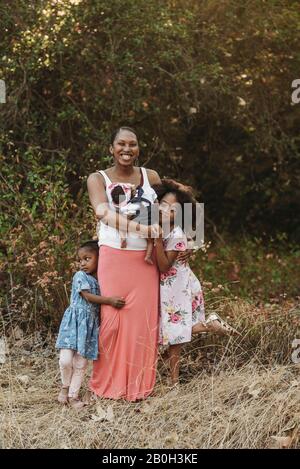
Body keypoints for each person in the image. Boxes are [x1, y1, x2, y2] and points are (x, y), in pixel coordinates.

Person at [87, 126, 163, 401]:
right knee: (112, 321)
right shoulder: (98, 178)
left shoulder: (150, 176)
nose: (127, 149)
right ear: (111, 147)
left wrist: (187, 241)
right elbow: (102, 211)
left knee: (141, 323)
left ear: (139, 148)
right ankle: (108, 385)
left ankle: (139, 386)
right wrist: (141, 230)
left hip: (146, 260)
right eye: (121, 144)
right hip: (113, 257)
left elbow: (173, 205)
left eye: (133, 144)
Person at [154, 179, 238, 387]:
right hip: (170, 285)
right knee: (172, 331)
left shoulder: (177, 234)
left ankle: (174, 381)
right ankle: (209, 325)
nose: (165, 210)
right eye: (163, 204)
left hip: (177, 286)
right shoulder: (158, 226)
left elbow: (164, 266)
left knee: (174, 333)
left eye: (173, 210)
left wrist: (153, 239)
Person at [55, 240, 125, 408]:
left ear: (100, 258)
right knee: (66, 360)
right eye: (80, 260)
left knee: (81, 363)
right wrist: (109, 301)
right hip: (73, 324)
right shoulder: (80, 276)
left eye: (87, 258)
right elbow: (87, 296)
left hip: (89, 327)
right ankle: (65, 387)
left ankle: (73, 396)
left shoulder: (102, 281)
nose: (83, 263)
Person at [109, 181, 156, 263]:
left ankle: (123, 237)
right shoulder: (146, 192)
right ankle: (148, 256)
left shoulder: (129, 205)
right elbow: (155, 202)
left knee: (122, 223)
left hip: (135, 221)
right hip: (147, 223)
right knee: (150, 242)